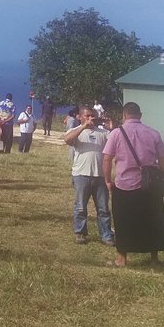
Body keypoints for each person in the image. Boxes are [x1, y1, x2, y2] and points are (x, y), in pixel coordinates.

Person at [102, 102, 164, 268]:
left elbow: (107, 158)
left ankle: (122, 258)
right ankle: (154, 258)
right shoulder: (154, 133)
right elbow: (163, 160)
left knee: (123, 220)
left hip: (125, 184)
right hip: (150, 185)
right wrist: (162, 178)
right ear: (140, 115)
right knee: (153, 219)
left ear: (124, 115)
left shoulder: (116, 133)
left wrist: (107, 180)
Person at [63, 105, 114, 246]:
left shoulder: (102, 133)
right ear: (80, 117)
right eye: (87, 116)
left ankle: (106, 235)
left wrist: (111, 127)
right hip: (81, 175)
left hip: (100, 176)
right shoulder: (76, 130)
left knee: (103, 209)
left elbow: (116, 142)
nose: (90, 118)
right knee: (80, 207)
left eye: (92, 115)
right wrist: (83, 127)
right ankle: (80, 233)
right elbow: (67, 140)